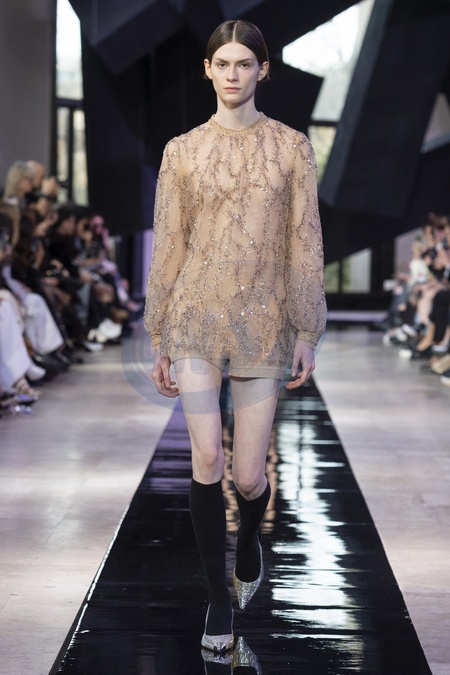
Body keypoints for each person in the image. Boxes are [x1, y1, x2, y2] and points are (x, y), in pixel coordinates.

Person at [144, 19, 326, 654]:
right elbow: (170, 244)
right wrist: (159, 332)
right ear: (207, 70)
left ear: (262, 70)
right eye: (222, 63)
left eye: (244, 63)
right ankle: (217, 601)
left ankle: (249, 541)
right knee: (207, 460)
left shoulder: (292, 148)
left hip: (265, 318)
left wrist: (307, 327)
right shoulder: (182, 151)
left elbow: (305, 241)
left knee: (249, 476)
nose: (232, 73)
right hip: (195, 315)